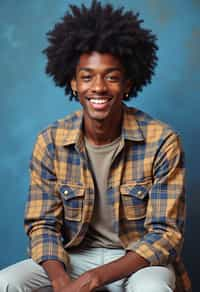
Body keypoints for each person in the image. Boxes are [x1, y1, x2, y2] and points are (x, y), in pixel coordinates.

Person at [0, 1, 191, 291]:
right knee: (6, 282)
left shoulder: (162, 140)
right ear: (73, 83)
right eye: (87, 76)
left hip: (137, 260)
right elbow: (43, 225)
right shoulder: (50, 142)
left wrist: (96, 279)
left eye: (112, 77)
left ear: (128, 83)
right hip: (73, 256)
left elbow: (164, 235)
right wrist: (61, 281)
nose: (98, 87)